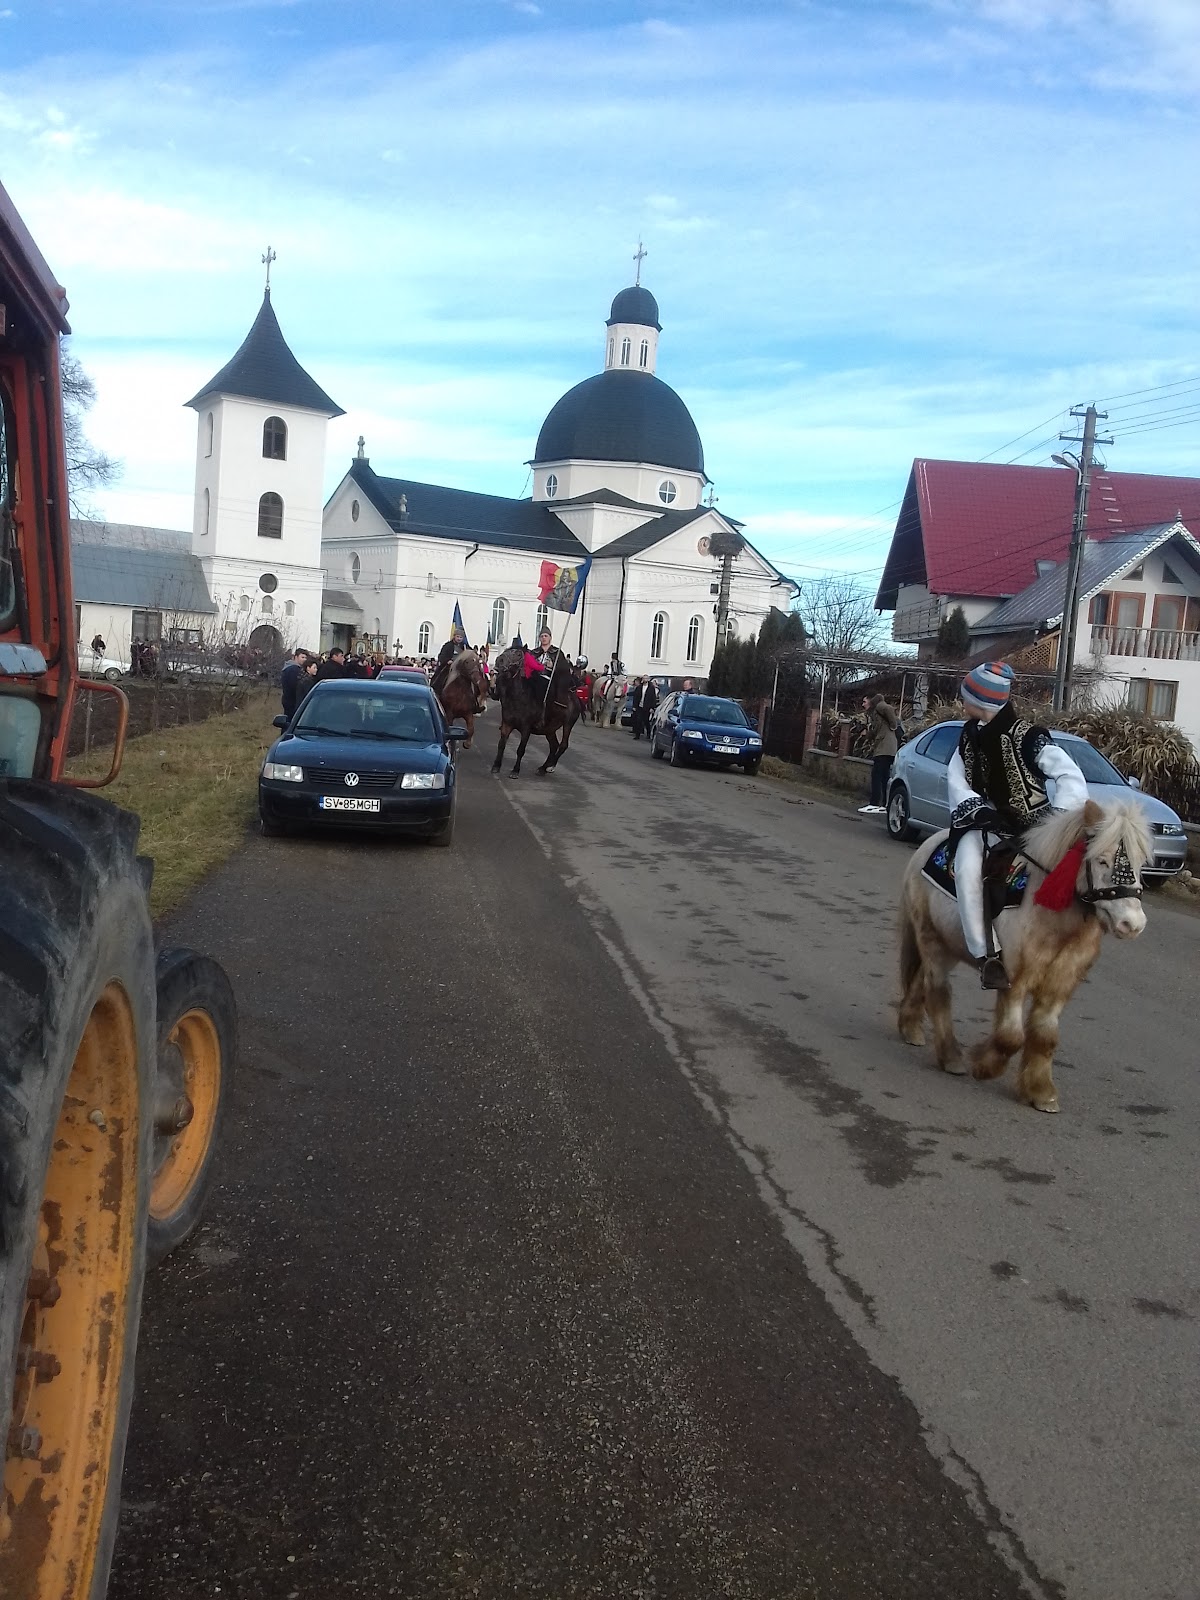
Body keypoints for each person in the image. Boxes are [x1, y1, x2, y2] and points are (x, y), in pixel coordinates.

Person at [947, 661, 1088, 991]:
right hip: (981, 824)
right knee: (967, 870)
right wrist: (975, 808)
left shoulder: (1030, 738)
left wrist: (1058, 819)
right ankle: (987, 955)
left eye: (966, 695)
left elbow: (1070, 776)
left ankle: (1068, 946)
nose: (961, 701)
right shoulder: (967, 736)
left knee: (1075, 874)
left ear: (983, 701)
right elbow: (955, 777)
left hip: (1032, 829)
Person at [858, 693, 900, 816]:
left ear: (871, 701)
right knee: (884, 777)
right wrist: (868, 735)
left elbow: (888, 709)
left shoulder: (880, 706)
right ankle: (885, 804)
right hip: (888, 748)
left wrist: (893, 725)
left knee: (876, 775)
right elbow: (877, 729)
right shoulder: (875, 713)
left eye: (864, 701)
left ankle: (874, 803)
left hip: (884, 748)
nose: (863, 704)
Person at [280, 648, 308, 721]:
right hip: (292, 700)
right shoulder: (294, 669)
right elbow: (294, 686)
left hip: (287, 699)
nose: (304, 659)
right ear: (296, 657)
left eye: (305, 658)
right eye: (302, 657)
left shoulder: (288, 667)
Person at [630, 676, 658, 740]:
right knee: (638, 720)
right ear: (642, 680)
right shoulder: (639, 687)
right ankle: (637, 735)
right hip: (640, 706)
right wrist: (634, 706)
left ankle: (648, 734)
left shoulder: (651, 688)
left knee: (646, 721)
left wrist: (652, 707)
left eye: (646, 678)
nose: (645, 680)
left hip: (647, 707)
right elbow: (636, 697)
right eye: (644, 678)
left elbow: (653, 698)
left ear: (648, 680)